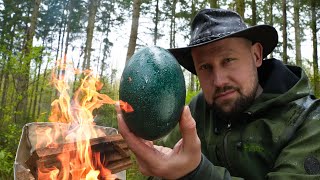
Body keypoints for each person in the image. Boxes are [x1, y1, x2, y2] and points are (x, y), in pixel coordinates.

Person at [115, 8, 320, 179]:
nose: (219, 81)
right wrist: (159, 170)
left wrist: (195, 173)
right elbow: (166, 164)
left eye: (228, 60)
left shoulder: (309, 121)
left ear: (256, 55)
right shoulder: (196, 112)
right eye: (205, 67)